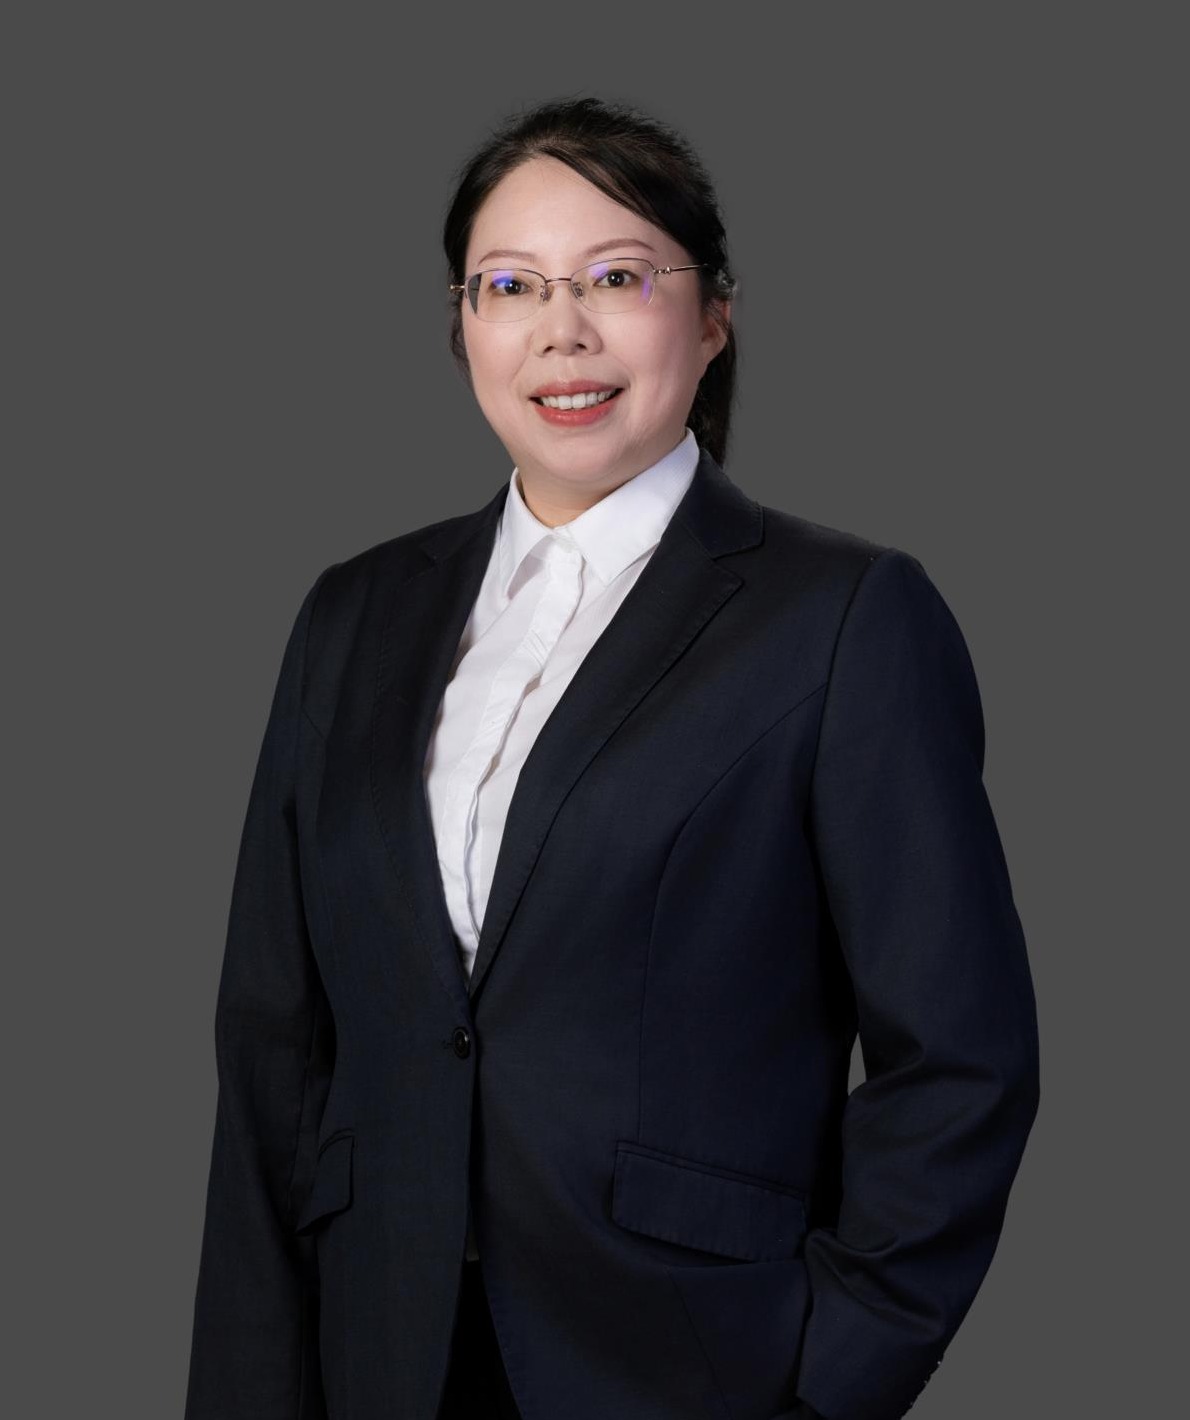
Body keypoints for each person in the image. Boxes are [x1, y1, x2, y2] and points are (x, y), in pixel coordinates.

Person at [184, 96, 1040, 1420]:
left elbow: (959, 1056)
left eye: (618, 278)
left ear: (713, 316)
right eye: (510, 285)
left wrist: (831, 1379)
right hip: (375, 1352)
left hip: (688, 1360)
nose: (561, 330)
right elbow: (274, 1048)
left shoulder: (841, 617)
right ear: (463, 326)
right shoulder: (352, 615)